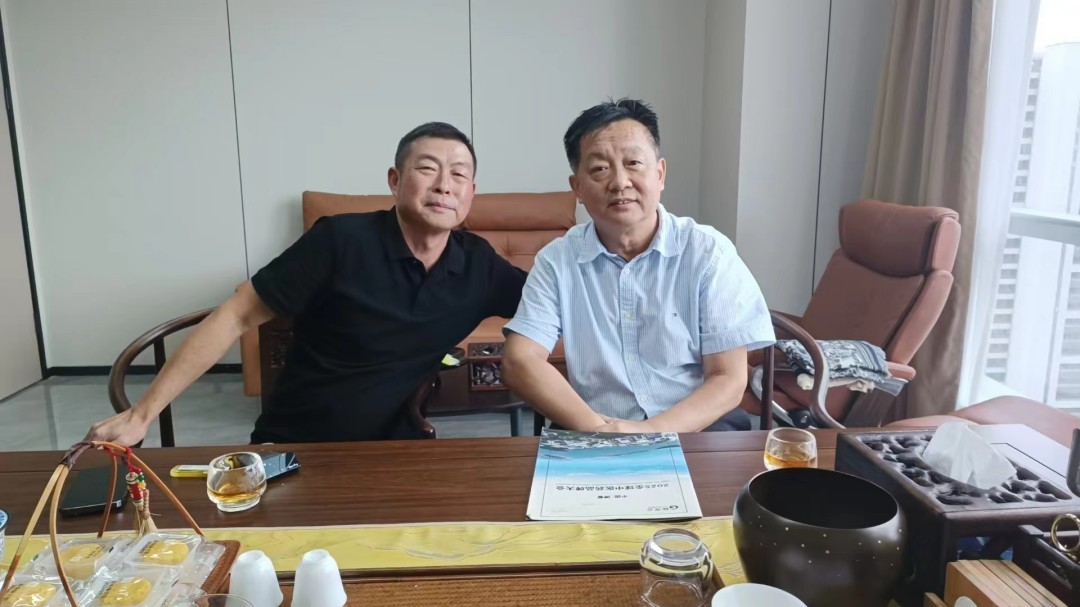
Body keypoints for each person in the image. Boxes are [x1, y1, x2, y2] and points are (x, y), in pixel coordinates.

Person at [87, 122, 526, 445]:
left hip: (396, 447)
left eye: (459, 175)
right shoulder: (340, 241)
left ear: (471, 193)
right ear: (394, 181)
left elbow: (552, 303)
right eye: (427, 169)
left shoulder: (479, 265)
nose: (444, 185)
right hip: (297, 440)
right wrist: (142, 414)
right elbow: (235, 316)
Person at [501, 99, 774, 433]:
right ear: (578, 189)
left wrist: (648, 433)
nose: (620, 182)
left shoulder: (708, 253)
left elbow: (727, 378)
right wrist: (604, 432)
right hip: (593, 425)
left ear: (659, 174)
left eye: (633, 163)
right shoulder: (556, 261)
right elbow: (520, 360)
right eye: (600, 169)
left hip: (697, 426)